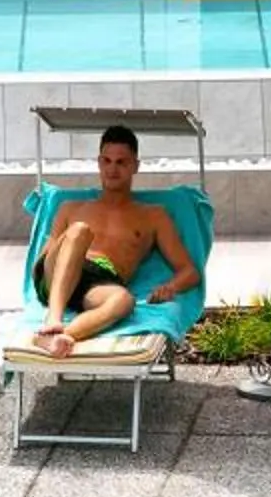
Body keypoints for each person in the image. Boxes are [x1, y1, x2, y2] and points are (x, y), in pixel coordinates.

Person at [30, 124, 198, 359]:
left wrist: (170, 288)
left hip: (99, 283)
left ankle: (61, 337)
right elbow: (47, 253)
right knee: (79, 231)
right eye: (106, 161)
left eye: (121, 162)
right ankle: (54, 319)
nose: (112, 169)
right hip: (56, 272)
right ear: (99, 162)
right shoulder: (70, 208)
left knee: (124, 300)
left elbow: (189, 271)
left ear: (135, 166)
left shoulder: (153, 216)